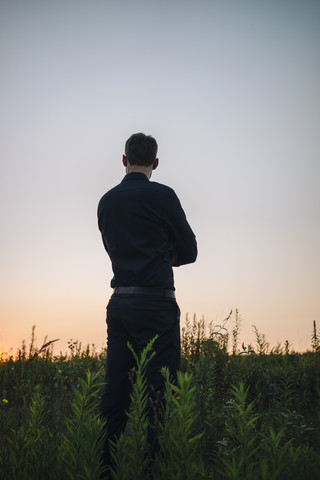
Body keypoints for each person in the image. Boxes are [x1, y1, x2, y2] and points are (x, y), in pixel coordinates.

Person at [97, 132, 197, 473]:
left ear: (123, 160)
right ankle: (154, 470)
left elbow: (114, 248)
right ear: (155, 163)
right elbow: (191, 251)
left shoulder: (107, 201)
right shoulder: (164, 196)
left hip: (120, 304)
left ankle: (103, 470)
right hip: (157, 306)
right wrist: (161, 255)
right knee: (161, 395)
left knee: (114, 396)